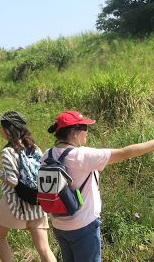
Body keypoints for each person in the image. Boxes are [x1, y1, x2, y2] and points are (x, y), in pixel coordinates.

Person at [42, 110, 154, 262]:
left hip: (59, 225)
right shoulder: (82, 155)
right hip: (83, 226)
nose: (87, 133)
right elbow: (125, 153)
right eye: (85, 128)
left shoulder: (47, 155)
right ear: (74, 132)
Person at [0, 111, 56, 262]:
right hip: (36, 204)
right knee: (44, 249)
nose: (0, 129)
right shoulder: (35, 148)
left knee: (0, 239)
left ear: (9, 129)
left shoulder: (7, 151)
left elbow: (13, 181)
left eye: (1, 126)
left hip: (14, 203)